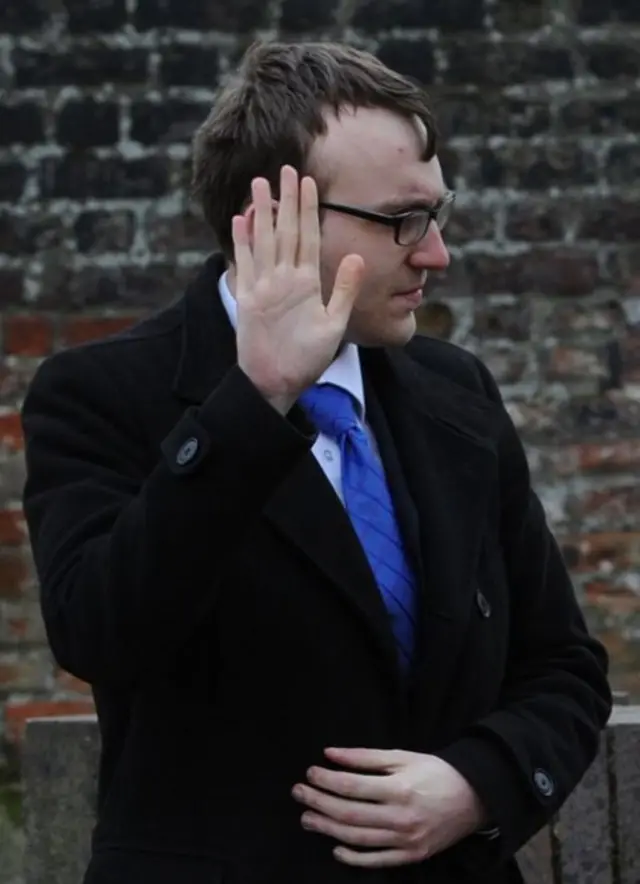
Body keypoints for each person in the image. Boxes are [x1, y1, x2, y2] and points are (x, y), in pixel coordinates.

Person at [21, 40, 612, 884]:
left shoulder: (456, 393)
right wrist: (252, 403)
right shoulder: (102, 391)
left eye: (438, 213)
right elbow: (102, 631)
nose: (436, 252)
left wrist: (477, 784)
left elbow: (562, 665)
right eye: (403, 220)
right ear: (272, 221)